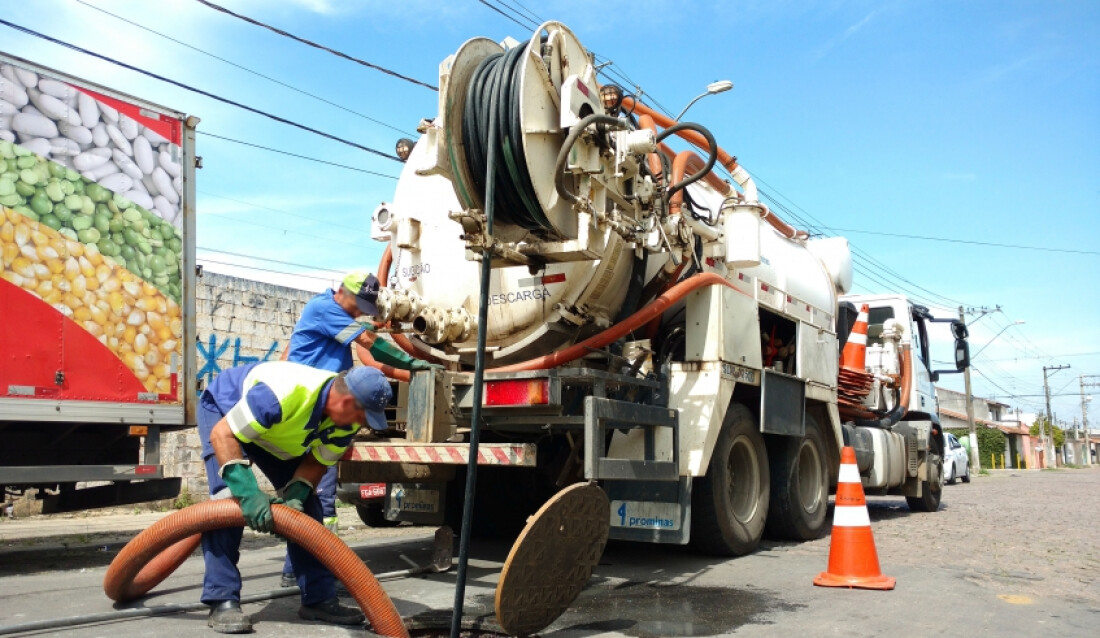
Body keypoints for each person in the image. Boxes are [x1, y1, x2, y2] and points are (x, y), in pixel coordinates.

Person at [198, 360, 392, 634]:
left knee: (309, 510)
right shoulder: (283, 394)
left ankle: (318, 599)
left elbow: (316, 462)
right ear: (347, 401)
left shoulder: (345, 423)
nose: (361, 425)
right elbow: (223, 433)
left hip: (273, 436)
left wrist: (296, 497)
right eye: (362, 417)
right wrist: (249, 494)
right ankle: (222, 600)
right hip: (225, 411)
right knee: (228, 504)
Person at [278, 271, 438, 587]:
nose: (360, 311)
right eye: (359, 305)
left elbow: (365, 330)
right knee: (316, 492)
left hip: (328, 410)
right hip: (308, 408)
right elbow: (366, 340)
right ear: (341, 293)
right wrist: (413, 364)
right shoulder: (324, 308)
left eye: (365, 307)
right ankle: (307, 572)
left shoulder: (337, 314)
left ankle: (300, 568)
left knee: (317, 493)